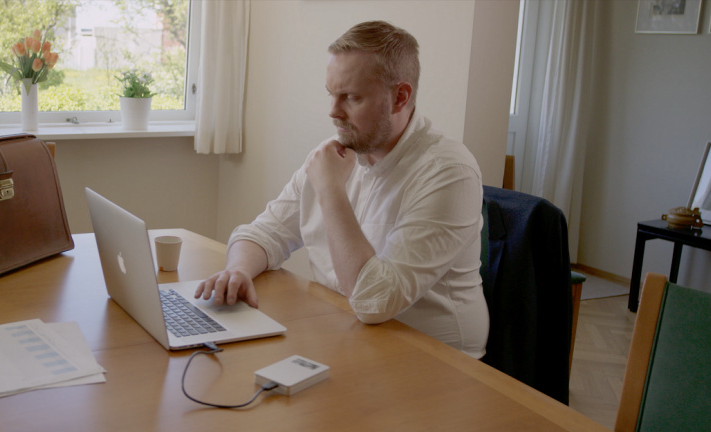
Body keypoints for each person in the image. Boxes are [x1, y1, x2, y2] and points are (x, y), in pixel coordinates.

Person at [193, 21, 489, 358]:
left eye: (350, 97)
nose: (333, 112)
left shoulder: (449, 173)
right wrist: (238, 270)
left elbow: (375, 301)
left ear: (400, 97)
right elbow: (264, 232)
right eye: (331, 94)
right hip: (348, 336)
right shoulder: (338, 153)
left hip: (436, 363)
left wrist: (331, 190)